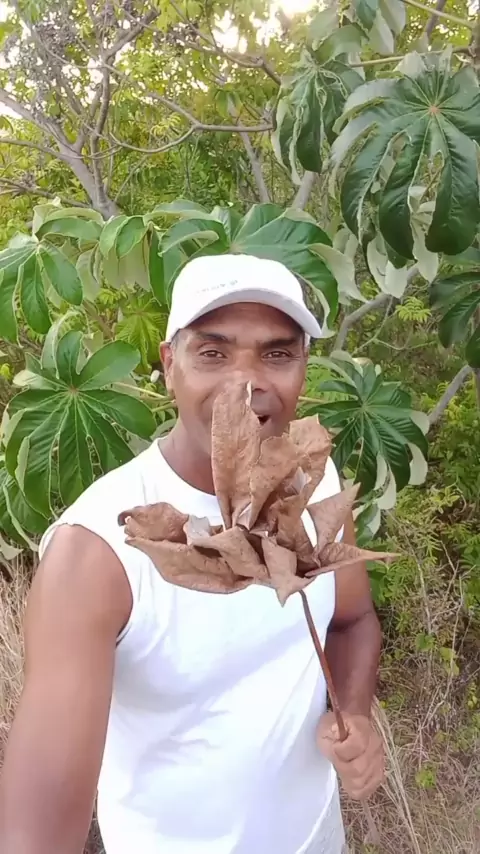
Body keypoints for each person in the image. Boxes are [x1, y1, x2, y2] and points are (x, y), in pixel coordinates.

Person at [0, 254, 384, 854]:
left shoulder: (312, 478)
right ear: (168, 365)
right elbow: (36, 828)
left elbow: (353, 621)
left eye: (277, 354)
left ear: (303, 369)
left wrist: (353, 711)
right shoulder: (98, 552)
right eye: (213, 353)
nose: (247, 383)